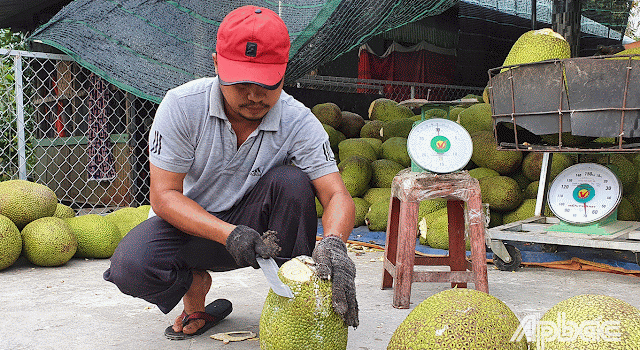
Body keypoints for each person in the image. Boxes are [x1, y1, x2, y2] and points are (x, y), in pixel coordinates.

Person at [103, 5, 359, 340]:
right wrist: (229, 234)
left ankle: (296, 305)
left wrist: (335, 242)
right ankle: (195, 290)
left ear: (284, 71)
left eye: (267, 84)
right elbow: (164, 196)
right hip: (189, 227)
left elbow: (336, 193)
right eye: (241, 84)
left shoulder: (298, 120)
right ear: (216, 65)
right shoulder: (182, 105)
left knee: (293, 182)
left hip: (259, 231)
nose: (254, 96)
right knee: (130, 269)